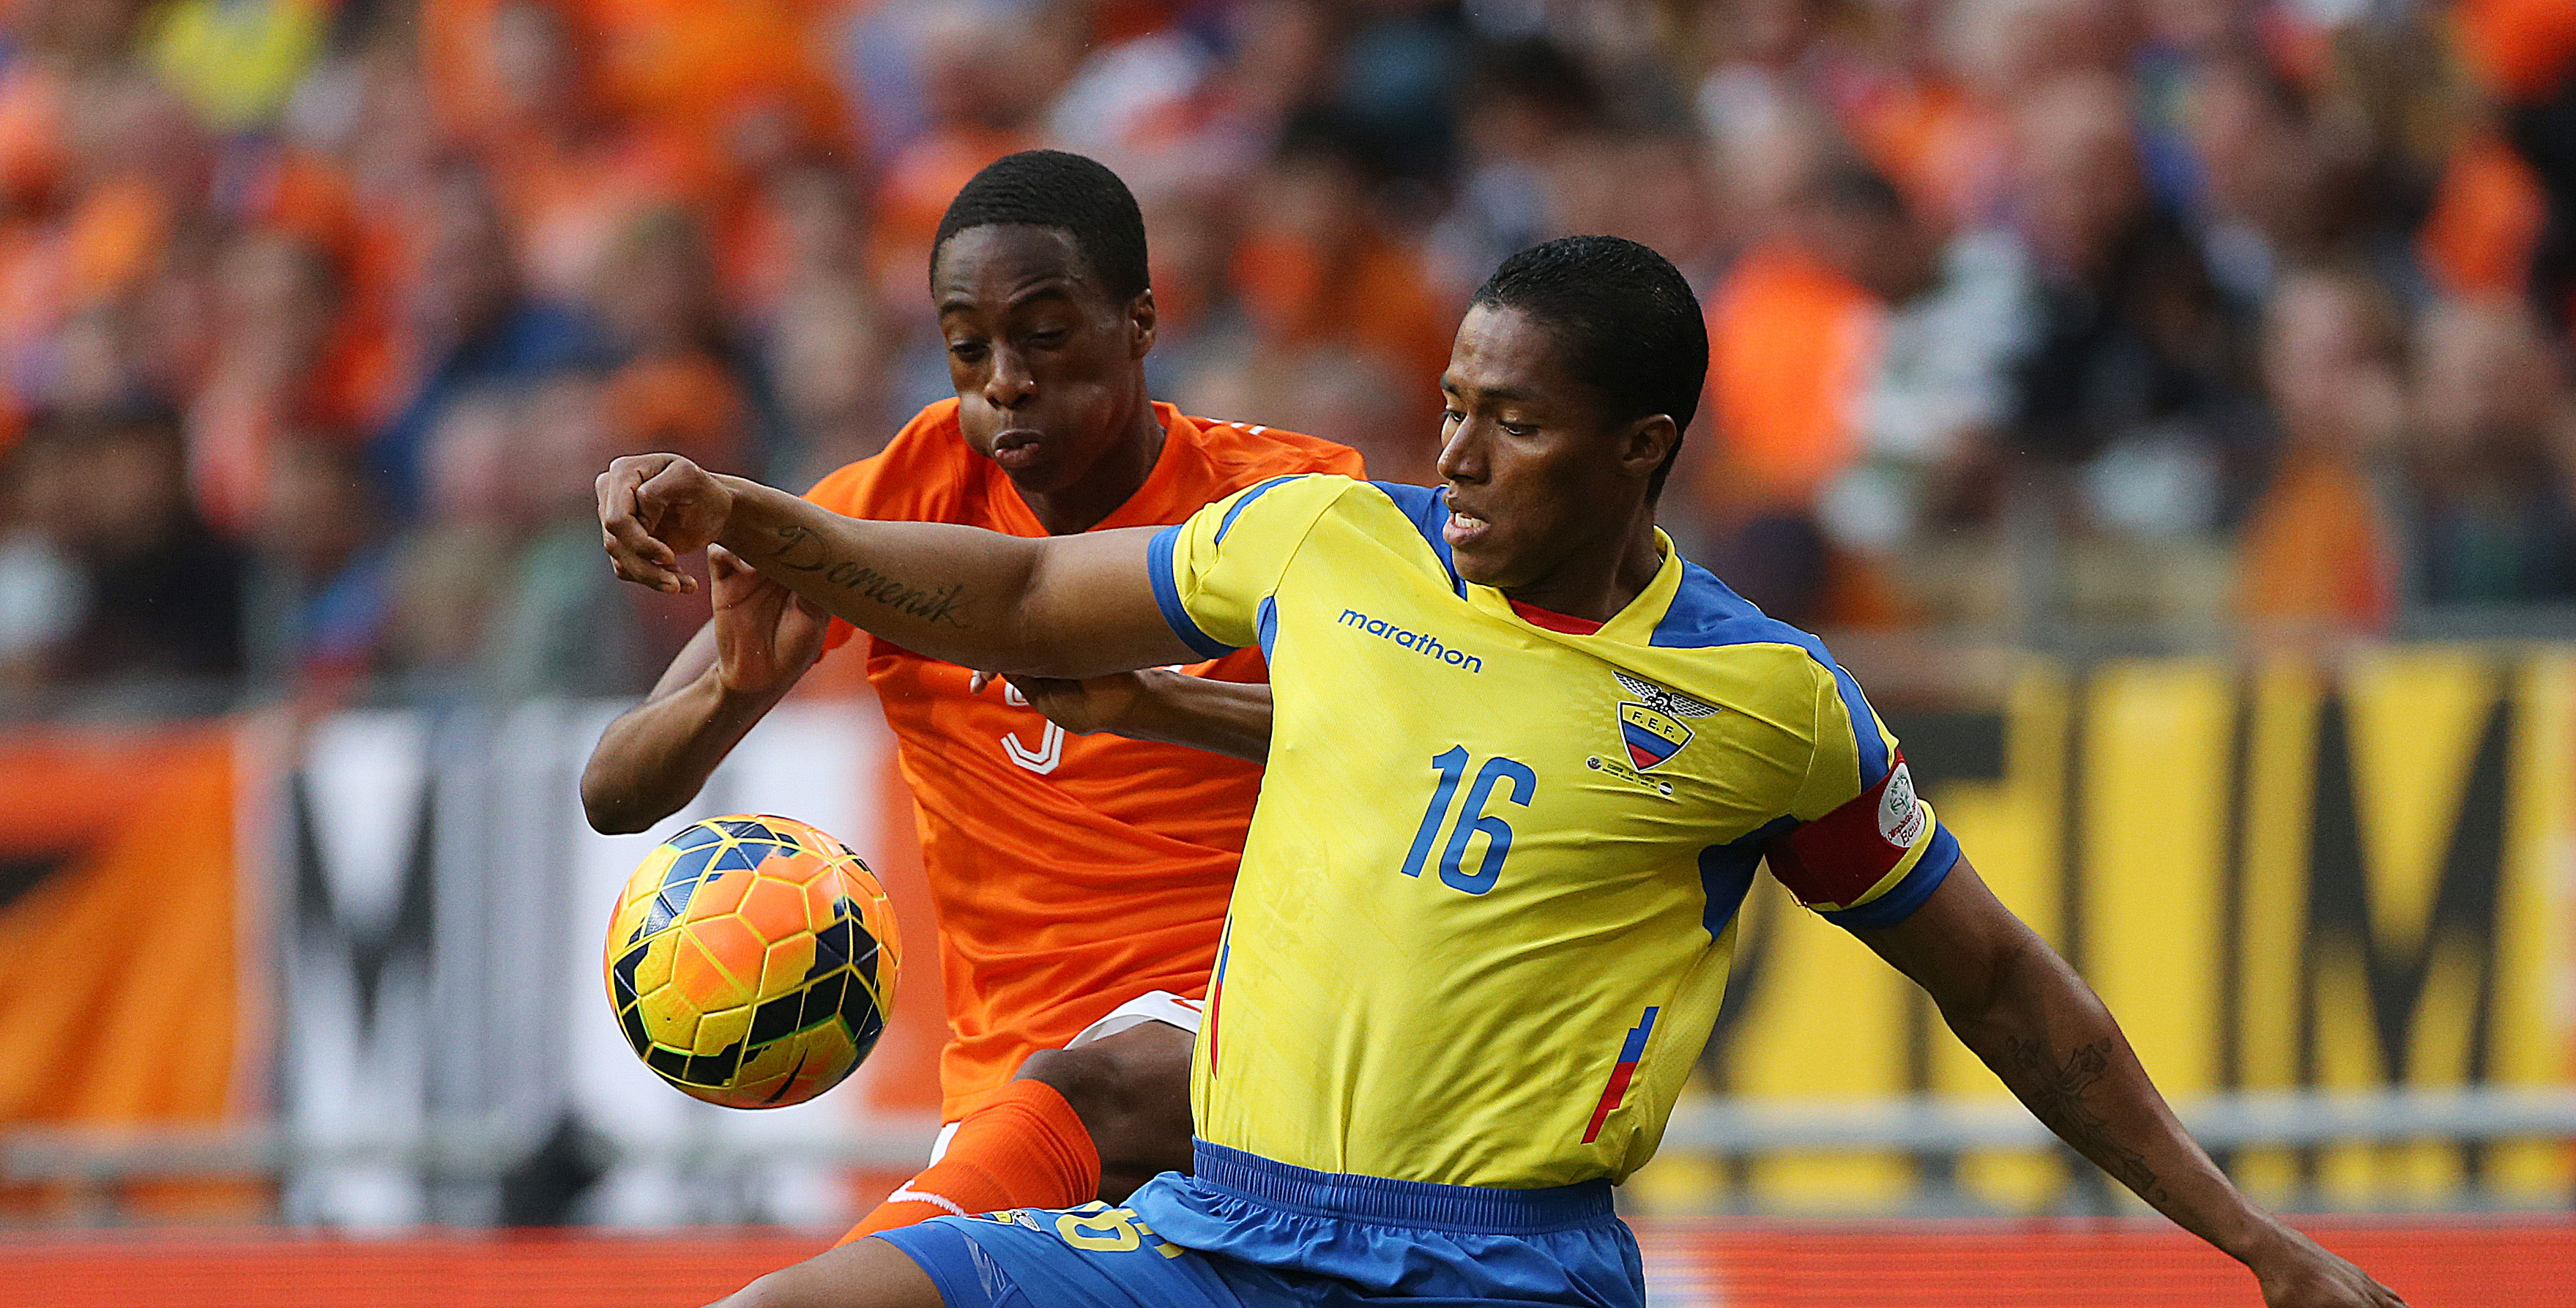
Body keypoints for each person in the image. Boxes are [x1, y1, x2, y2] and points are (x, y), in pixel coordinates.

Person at [598, 236, 2405, 1308]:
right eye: (1453, 403)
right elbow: (1013, 584)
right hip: (1222, 1227)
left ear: (1643, 451)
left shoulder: (1768, 707)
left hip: (1492, 1271)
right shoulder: (1323, 542)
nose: (1454, 452)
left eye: (1514, 422)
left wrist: (2250, 1236)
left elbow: (2002, 981)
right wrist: (753, 516)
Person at [580, 150, 1361, 1241]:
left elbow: (1403, 747)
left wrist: (1154, 706)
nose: (1004, 379)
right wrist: (732, 692)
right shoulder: (898, 498)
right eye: (967, 348)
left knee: (883, 1268)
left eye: (1043, 336)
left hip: (1244, 1050)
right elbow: (613, 790)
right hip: (1013, 1102)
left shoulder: (1297, 507)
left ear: (1138, 322)